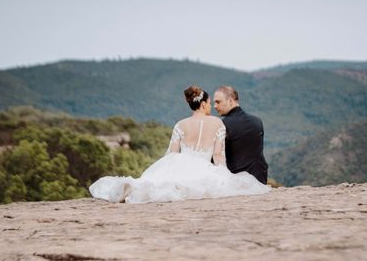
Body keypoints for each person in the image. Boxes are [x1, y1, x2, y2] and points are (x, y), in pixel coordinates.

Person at [89, 86, 270, 203]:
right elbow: (218, 156)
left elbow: (172, 155)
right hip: (204, 168)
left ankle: (134, 188)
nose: (213, 106)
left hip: (182, 165)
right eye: (211, 102)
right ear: (205, 104)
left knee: (162, 184)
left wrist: (167, 169)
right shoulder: (217, 124)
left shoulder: (180, 125)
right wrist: (224, 176)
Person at [213, 86, 269, 184]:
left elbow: (216, 156)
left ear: (230, 101)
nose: (215, 106)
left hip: (237, 182)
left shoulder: (222, 125)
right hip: (260, 179)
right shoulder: (257, 121)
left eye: (218, 102)